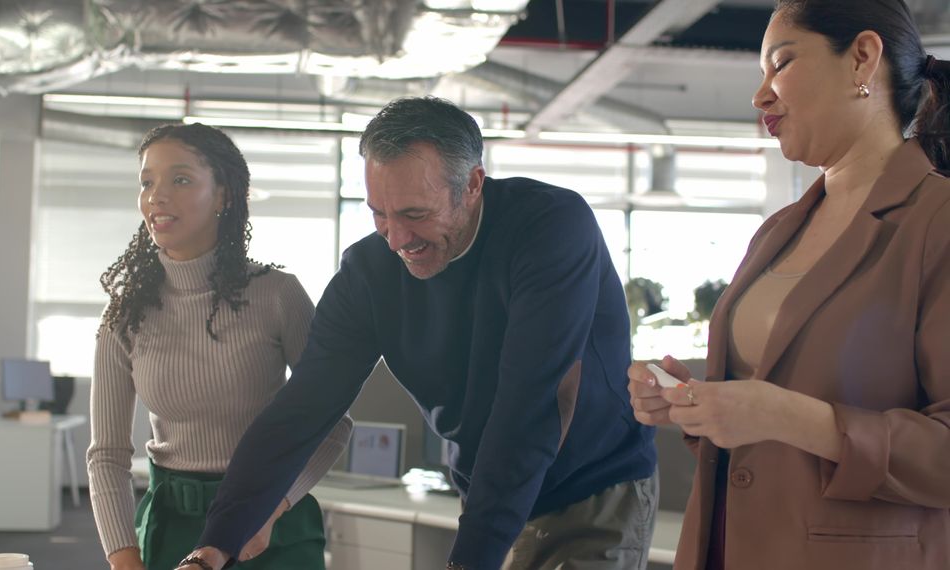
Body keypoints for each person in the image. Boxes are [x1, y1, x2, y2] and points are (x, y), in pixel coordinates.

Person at [176, 96, 658, 570]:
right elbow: (302, 407)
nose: (397, 239)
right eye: (378, 213)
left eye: (415, 214)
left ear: (471, 184)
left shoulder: (550, 228)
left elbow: (531, 405)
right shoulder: (368, 274)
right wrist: (215, 545)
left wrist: (469, 561)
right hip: (488, 492)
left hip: (592, 487)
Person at [628, 1, 950, 569]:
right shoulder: (777, 231)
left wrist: (788, 416)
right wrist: (692, 404)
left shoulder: (936, 222)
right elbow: (766, 415)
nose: (761, 95)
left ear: (862, 58)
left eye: (780, 64)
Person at [87, 122, 351, 570]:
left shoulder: (278, 295)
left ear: (225, 195)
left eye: (181, 179)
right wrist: (124, 559)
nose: (157, 196)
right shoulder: (124, 314)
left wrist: (273, 508)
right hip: (172, 526)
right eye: (147, 182)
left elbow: (332, 423)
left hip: (272, 528)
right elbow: (107, 456)